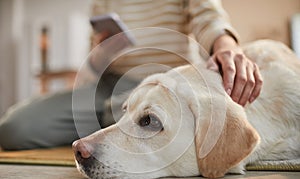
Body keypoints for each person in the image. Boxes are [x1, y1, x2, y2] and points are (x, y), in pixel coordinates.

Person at [0, 0, 263, 150]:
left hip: (164, 83)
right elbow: (91, 65)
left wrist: (228, 47)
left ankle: (119, 118)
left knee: (131, 113)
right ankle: (117, 119)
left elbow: (210, 20)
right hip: (107, 85)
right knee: (13, 128)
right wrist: (101, 53)